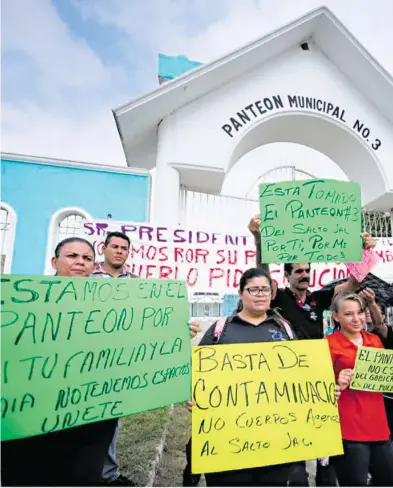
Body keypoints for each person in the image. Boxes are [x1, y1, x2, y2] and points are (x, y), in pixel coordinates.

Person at [248, 215, 375, 486]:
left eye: (307, 271)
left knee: (324, 447)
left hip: (320, 377)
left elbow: (353, 283)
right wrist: (259, 239)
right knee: (294, 447)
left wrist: (365, 251)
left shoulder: (320, 298)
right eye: (298, 271)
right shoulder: (277, 297)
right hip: (288, 378)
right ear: (286, 276)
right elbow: (262, 270)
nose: (304, 275)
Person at [1, 237, 118, 487]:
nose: (80, 263)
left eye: (87, 258)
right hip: (33, 415)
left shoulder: (109, 305)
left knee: (83, 475)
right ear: (55, 261)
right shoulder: (24, 300)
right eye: (72, 256)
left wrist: (171, 330)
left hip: (91, 416)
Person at [92, 231, 201, 486]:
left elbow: (149, 319)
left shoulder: (137, 283)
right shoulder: (88, 276)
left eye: (124, 248)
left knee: (112, 414)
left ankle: (108, 473)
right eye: (115, 247)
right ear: (104, 248)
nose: (119, 251)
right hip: (94, 353)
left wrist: (177, 329)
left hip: (122, 357)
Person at [185, 268, 300, 487]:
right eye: (253, 289)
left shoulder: (285, 329)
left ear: (272, 293)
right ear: (240, 293)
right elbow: (197, 373)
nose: (260, 294)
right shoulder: (220, 330)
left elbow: (302, 375)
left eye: (265, 289)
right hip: (226, 440)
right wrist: (193, 396)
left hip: (274, 438)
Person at [328, 291, 393, 487]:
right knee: (354, 482)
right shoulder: (328, 345)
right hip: (349, 430)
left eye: (360, 312)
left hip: (380, 427)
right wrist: (336, 381)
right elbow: (317, 388)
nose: (356, 319)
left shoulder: (374, 341)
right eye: (348, 314)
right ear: (336, 316)